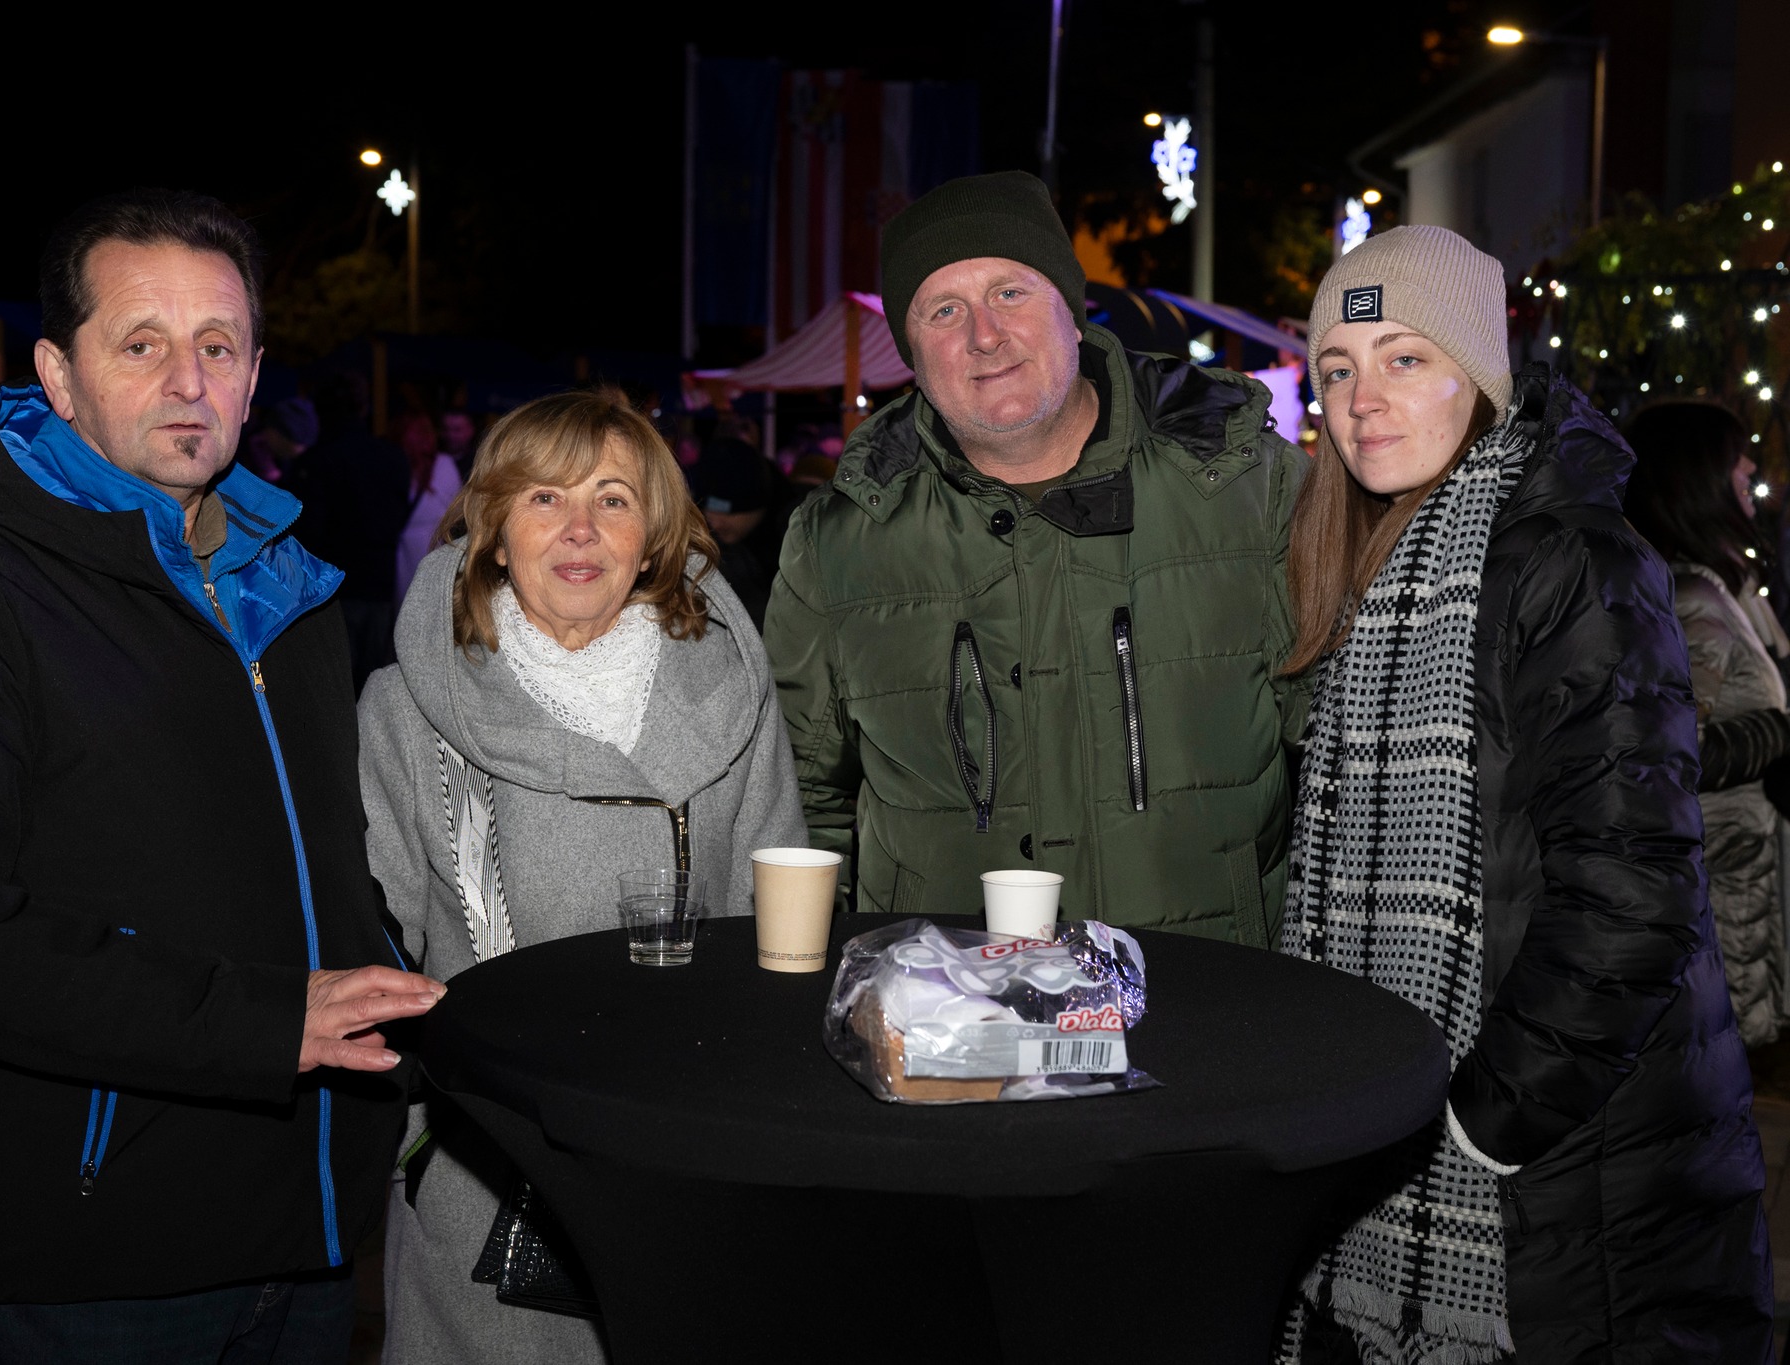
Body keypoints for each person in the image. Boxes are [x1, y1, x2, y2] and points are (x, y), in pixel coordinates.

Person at [0, 189, 445, 1363]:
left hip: (305, 1233)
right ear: (59, 376)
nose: (187, 382)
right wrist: (255, 1021)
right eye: (141, 345)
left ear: (255, 378)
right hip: (85, 1258)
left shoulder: (293, 595)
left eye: (218, 347)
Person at [1276, 225, 1770, 1362]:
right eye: (1337, 371)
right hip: (1434, 1125)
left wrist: (1480, 1121)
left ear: (1480, 378)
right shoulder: (1373, 565)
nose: (1362, 400)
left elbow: (1632, 895)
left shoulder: (1572, 560)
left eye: (1405, 358)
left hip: (1563, 1173)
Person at [359, 388, 805, 1363]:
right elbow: (369, 956)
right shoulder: (405, 710)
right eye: (543, 498)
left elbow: (776, 927)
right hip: (487, 1178)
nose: (579, 529)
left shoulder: (730, 695)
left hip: (691, 1160)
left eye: (612, 499)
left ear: (650, 540)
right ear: (493, 534)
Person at [766, 170, 1308, 935]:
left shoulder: (1252, 491)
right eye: (943, 310)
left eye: (1010, 292)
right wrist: (809, 973)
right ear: (913, 354)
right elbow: (796, 799)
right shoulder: (838, 540)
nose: (984, 335)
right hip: (946, 993)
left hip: (1205, 985)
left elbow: (1343, 760)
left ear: (1072, 314)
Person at [1624, 401, 1790, 1048]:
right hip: (1722, 876)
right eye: (1735, 456)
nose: (1750, 467)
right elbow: (1670, 750)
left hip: (1736, 869)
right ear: (1697, 476)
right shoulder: (1693, 598)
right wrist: (1778, 733)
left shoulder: (1716, 585)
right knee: (1722, 1056)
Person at [288, 372, 412, 693]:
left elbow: (307, 532)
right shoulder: (391, 457)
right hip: (377, 584)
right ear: (363, 407)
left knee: (332, 686)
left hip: (332, 589)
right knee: (370, 685)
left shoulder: (317, 462)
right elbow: (398, 516)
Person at [689, 434, 790, 629]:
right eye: (708, 512)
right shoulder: (705, 547)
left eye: (727, 514)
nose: (715, 523)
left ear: (755, 507)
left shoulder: (793, 539)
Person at [393, 408, 462, 609]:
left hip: (401, 552)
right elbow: (456, 512)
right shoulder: (445, 465)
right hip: (434, 548)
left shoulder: (392, 465)